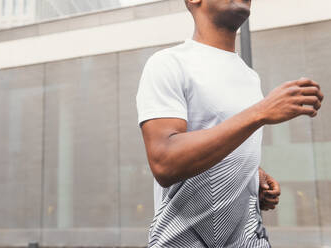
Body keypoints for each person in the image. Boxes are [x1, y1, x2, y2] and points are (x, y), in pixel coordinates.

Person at [135, 0, 324, 247]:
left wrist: (249, 176)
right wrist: (260, 112)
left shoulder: (249, 76)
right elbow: (165, 161)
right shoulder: (168, 63)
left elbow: (220, 140)